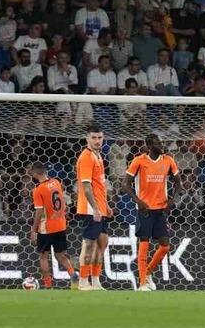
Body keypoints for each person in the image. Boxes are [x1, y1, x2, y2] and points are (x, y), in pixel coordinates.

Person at [122, 134, 182, 292]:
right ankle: (142, 283)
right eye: (158, 143)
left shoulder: (168, 160)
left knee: (165, 246)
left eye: (162, 142)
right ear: (149, 145)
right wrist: (138, 201)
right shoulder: (139, 161)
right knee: (144, 245)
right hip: (145, 210)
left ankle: (148, 273)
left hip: (161, 209)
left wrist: (172, 200)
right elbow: (126, 184)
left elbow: (178, 182)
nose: (162, 145)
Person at [29, 162, 78, 290]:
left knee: (43, 256)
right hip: (60, 225)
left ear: (34, 174)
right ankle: (73, 274)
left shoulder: (38, 189)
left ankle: (48, 285)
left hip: (46, 228)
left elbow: (39, 211)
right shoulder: (56, 182)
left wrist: (34, 230)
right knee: (60, 255)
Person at [76, 124, 112, 291]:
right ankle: (83, 281)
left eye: (100, 138)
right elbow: (86, 187)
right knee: (89, 244)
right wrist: (96, 208)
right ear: (87, 138)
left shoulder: (98, 156)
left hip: (101, 208)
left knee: (102, 244)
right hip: (91, 209)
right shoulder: (86, 157)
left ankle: (96, 281)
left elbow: (100, 185)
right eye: (94, 138)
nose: (97, 141)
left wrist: (106, 206)